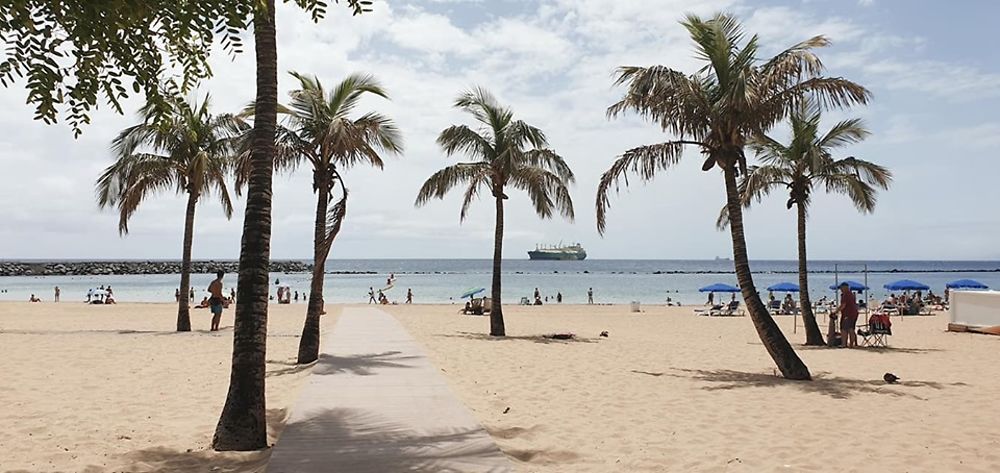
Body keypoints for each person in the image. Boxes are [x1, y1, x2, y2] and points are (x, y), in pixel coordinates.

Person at [836, 282, 859, 348]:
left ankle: (844, 344)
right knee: (851, 328)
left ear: (845, 287)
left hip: (848, 314)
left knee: (844, 329)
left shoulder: (845, 295)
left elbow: (843, 305)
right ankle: (852, 344)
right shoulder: (851, 294)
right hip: (854, 313)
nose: (840, 289)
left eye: (841, 288)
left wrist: (836, 311)